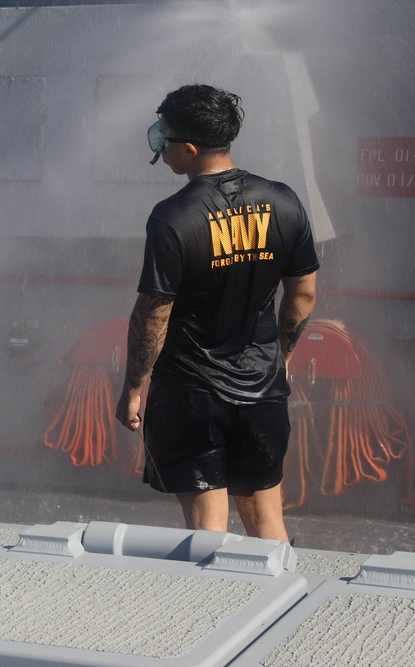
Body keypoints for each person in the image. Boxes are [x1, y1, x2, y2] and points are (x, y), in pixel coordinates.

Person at [115, 84, 318, 541]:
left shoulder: (172, 217)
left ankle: (215, 591)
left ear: (189, 149)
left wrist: (132, 389)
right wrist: (281, 357)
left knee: (209, 529)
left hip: (191, 395)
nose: (159, 142)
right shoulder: (284, 201)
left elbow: (154, 315)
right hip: (262, 389)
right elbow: (303, 294)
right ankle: (281, 589)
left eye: (164, 135)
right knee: (267, 521)